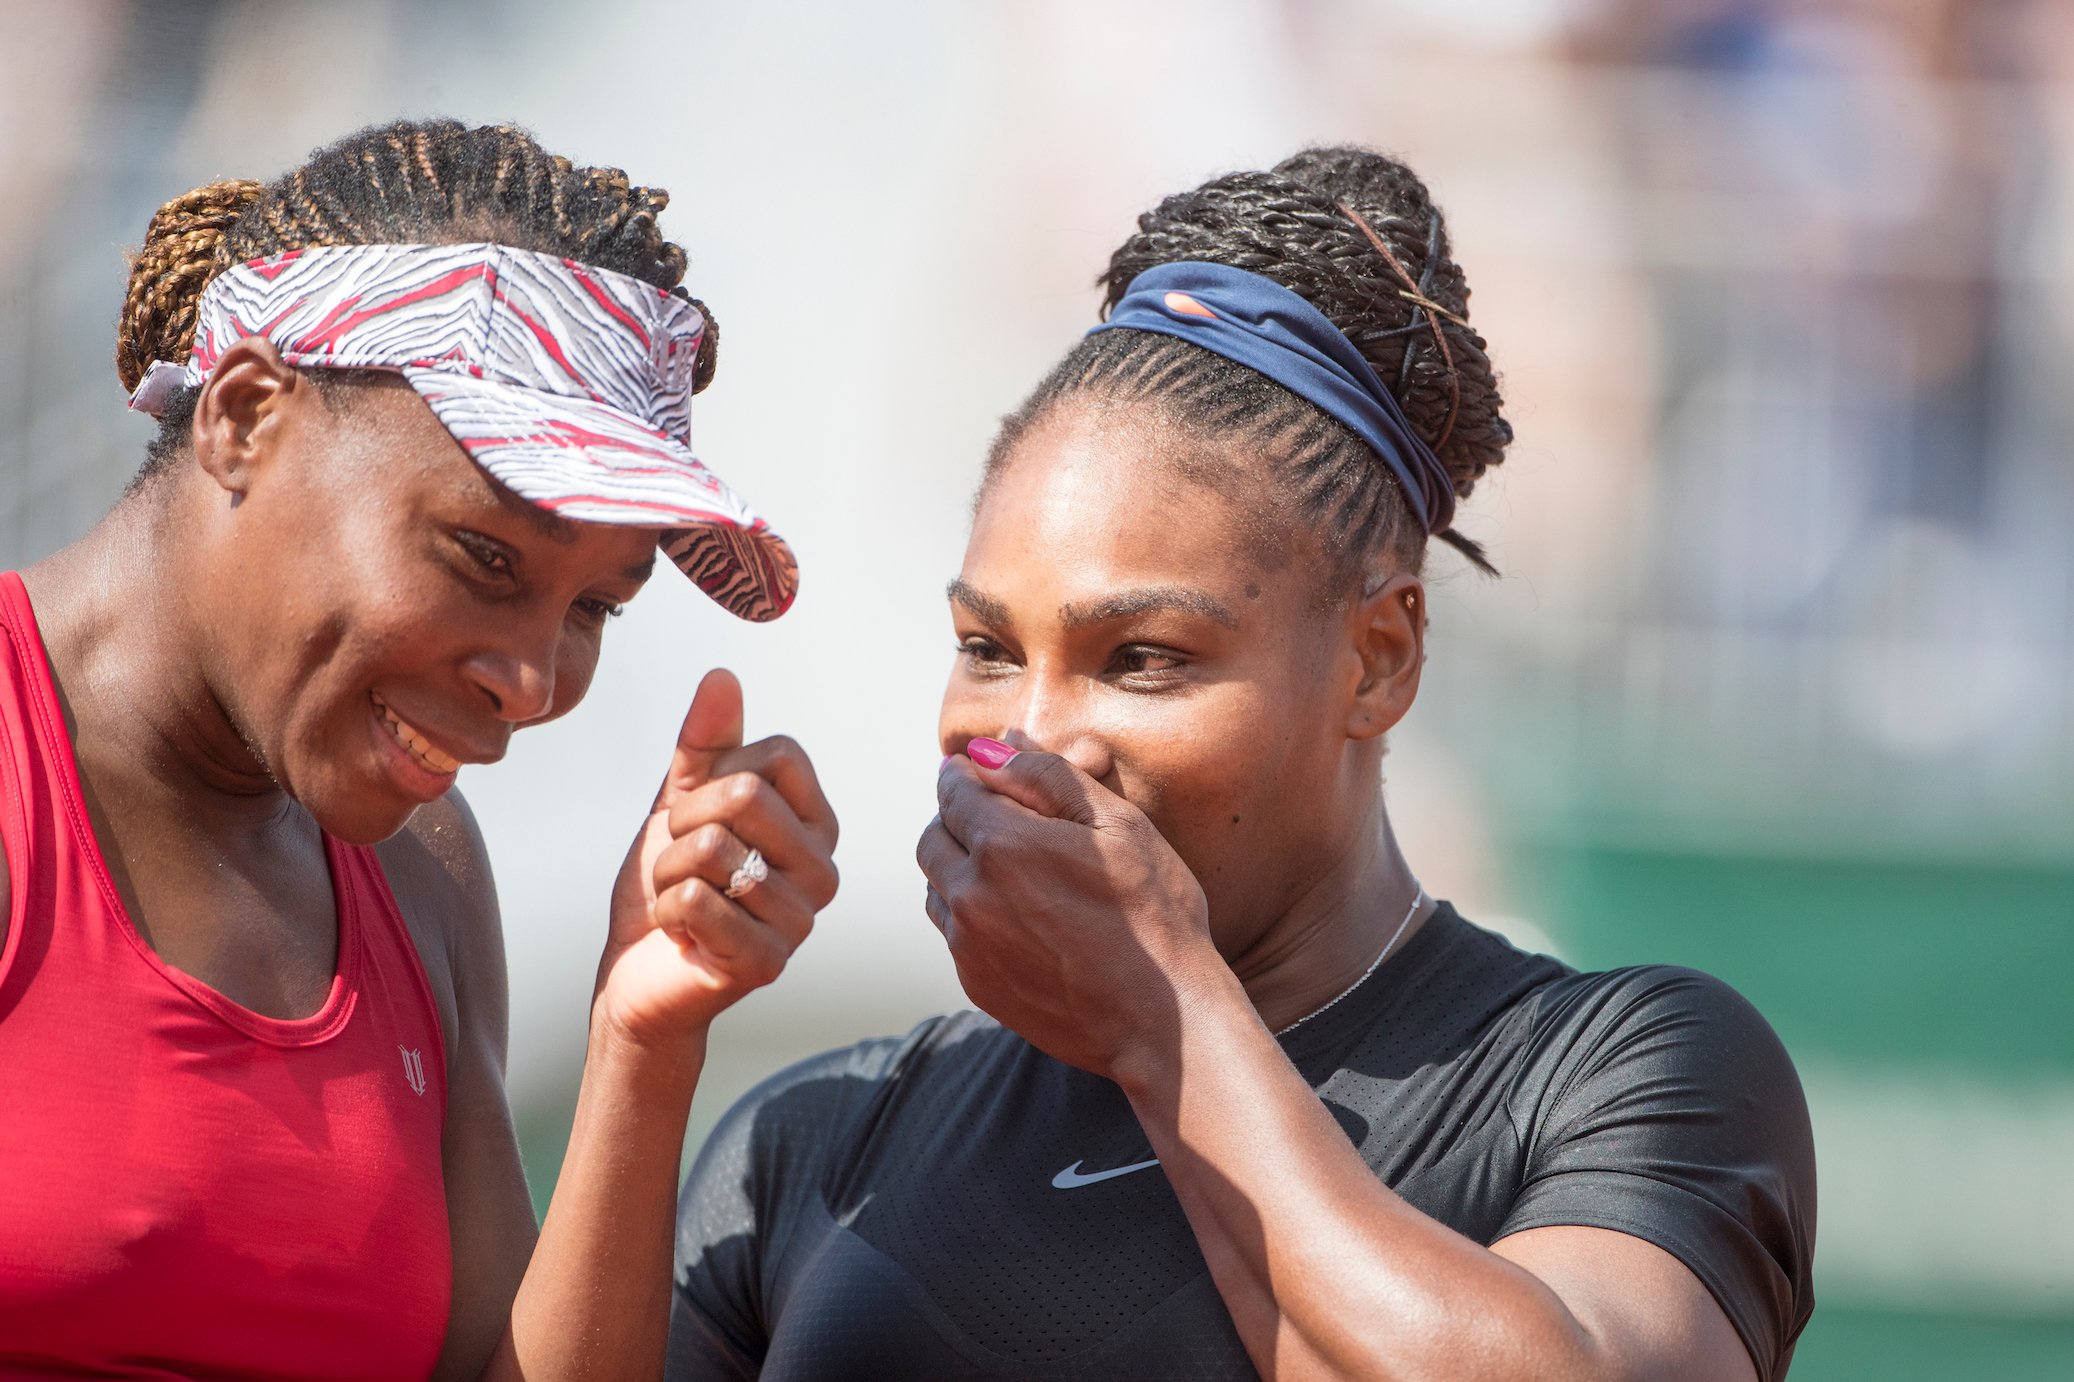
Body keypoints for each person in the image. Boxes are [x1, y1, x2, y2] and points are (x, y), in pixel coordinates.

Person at [668, 147, 1815, 1381]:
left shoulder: (1615, 1068)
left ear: (1377, 659)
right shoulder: (820, 1136)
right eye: (987, 648)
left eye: (1144, 656)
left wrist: (1161, 1015)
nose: (1038, 735)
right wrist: (643, 1040)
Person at [0, 120, 839, 1380]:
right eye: (484, 556)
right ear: (244, 418)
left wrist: (641, 1042)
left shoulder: (420, 867)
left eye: (595, 607)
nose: (533, 677)